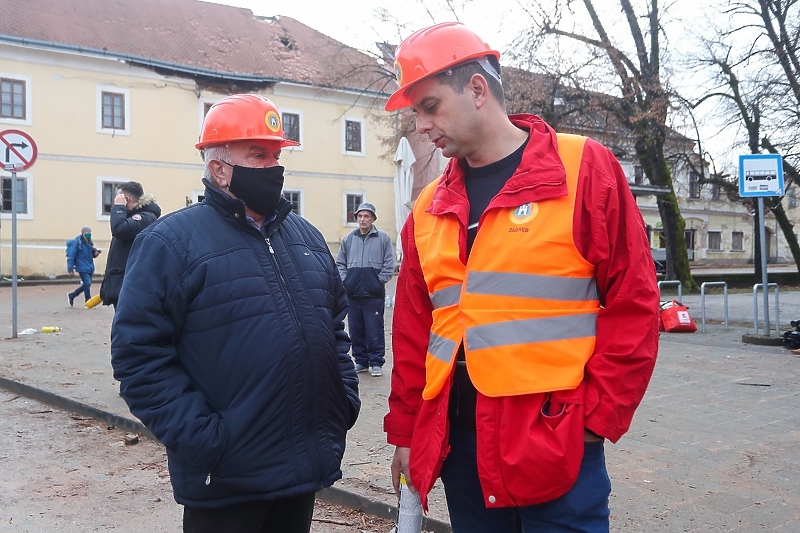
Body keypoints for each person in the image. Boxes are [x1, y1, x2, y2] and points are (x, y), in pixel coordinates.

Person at [382, 22, 660, 533]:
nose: (420, 126)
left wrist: (597, 420)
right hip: (460, 447)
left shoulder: (582, 169)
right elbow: (413, 334)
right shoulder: (426, 209)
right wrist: (405, 432)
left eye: (429, 106)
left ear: (478, 90)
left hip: (556, 441)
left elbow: (635, 302)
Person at [110, 94, 360, 533]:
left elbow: (335, 329)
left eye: (277, 155)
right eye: (258, 155)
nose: (273, 167)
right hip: (225, 480)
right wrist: (207, 440)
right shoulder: (170, 242)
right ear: (219, 167)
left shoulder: (307, 237)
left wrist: (344, 399)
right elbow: (138, 356)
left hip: (301, 470)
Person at [336, 202, 395, 377]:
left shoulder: (383, 239)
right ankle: (361, 361)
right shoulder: (348, 239)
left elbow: (389, 264)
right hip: (353, 294)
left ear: (373, 219)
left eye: (366, 216)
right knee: (356, 328)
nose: (362, 219)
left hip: (373, 294)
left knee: (374, 329)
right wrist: (346, 280)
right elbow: (340, 263)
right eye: (360, 216)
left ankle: (376, 362)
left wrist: (379, 281)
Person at [99, 181, 161, 309]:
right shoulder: (131, 217)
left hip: (131, 286)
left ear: (126, 199)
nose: (115, 200)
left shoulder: (145, 217)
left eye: (118, 197)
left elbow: (119, 229)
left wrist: (118, 208)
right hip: (123, 284)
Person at [66, 226, 100, 307]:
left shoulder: (90, 243)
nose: (88, 234)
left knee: (86, 284)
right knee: (87, 283)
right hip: (81, 267)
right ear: (82, 233)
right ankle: (88, 301)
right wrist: (70, 269)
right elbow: (71, 256)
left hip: (90, 267)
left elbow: (90, 255)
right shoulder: (77, 243)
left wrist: (95, 254)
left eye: (90, 233)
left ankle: (72, 295)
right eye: (86, 233)